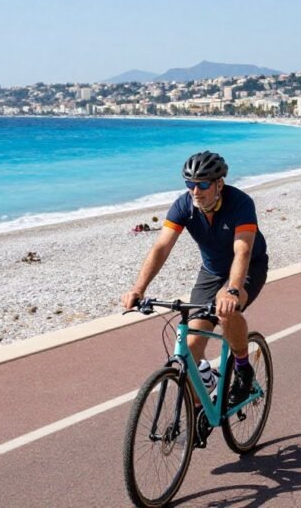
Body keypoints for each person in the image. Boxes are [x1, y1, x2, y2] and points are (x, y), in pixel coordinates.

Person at [121, 151, 269, 414]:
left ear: (219, 184)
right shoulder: (183, 206)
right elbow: (161, 248)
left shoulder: (240, 203)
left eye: (202, 185)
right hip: (211, 273)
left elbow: (242, 251)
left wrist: (233, 290)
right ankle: (204, 402)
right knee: (190, 348)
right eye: (190, 185)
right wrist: (138, 289)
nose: (195, 191)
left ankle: (243, 368)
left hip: (248, 268)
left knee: (227, 312)